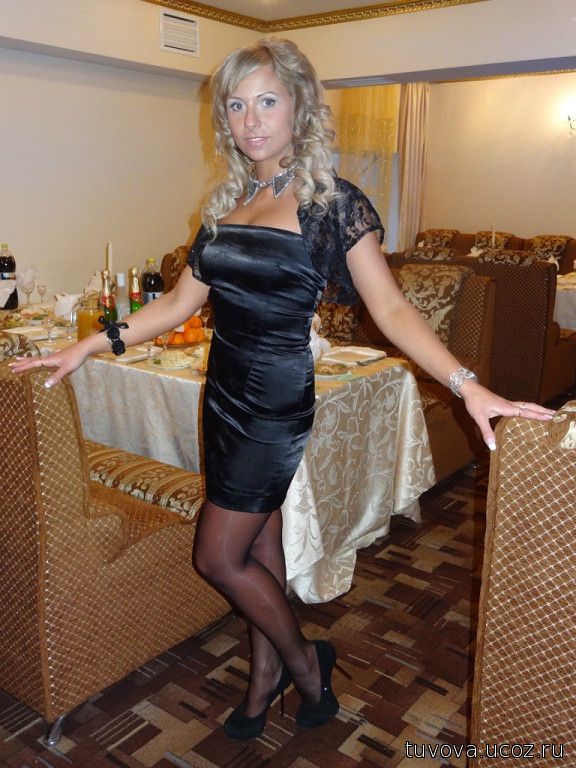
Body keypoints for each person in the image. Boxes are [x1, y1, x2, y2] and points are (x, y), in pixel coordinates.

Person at [10, 38, 555, 741]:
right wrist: (92, 342)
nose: (252, 120)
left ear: (300, 107)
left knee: (217, 556)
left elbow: (390, 308)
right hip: (222, 394)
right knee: (259, 543)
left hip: (274, 399)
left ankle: (305, 661)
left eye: (267, 101)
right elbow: (177, 305)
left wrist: (465, 383)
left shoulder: (331, 203)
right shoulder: (229, 203)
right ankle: (264, 675)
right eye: (237, 106)